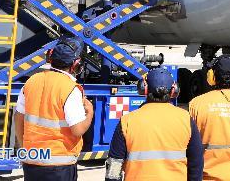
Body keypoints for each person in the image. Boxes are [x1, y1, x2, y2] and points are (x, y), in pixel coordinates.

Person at [13, 37, 93, 181]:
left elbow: (18, 117)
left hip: (32, 161)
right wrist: (90, 112)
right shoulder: (70, 89)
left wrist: (24, 147)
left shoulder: (32, 81)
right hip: (59, 165)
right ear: (76, 64)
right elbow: (78, 130)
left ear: (50, 57)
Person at [105, 66, 203, 181]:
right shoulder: (186, 119)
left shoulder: (127, 121)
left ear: (144, 88)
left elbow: (114, 166)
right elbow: (196, 164)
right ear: (173, 91)